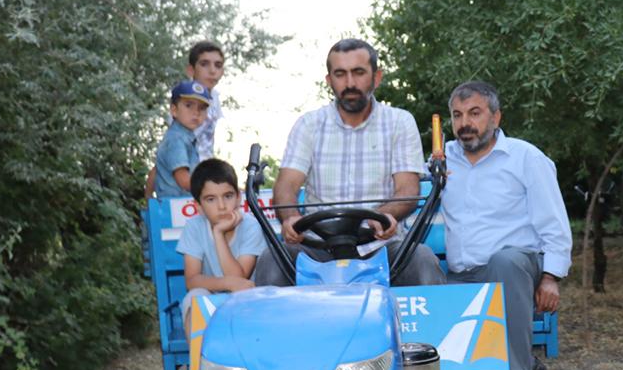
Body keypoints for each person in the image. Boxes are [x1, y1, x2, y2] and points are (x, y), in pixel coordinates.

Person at [253, 38, 443, 287]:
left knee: (422, 260)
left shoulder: (400, 122)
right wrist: (290, 218)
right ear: (329, 80)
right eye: (340, 74)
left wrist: (383, 216)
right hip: (317, 248)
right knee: (271, 260)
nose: (350, 83)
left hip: (381, 245)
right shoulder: (308, 125)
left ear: (376, 77)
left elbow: (407, 190)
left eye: (358, 72)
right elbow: (286, 187)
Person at [440, 80, 571, 370]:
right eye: (457, 115)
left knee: (505, 261)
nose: (465, 123)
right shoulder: (443, 161)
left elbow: (554, 222)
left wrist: (551, 278)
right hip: (461, 275)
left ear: (496, 117)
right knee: (419, 271)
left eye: (475, 113)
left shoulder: (526, 158)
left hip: (514, 269)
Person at [177, 158, 265, 327]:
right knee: (194, 297)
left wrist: (218, 234)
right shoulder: (194, 226)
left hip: (249, 300)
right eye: (211, 199)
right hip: (213, 296)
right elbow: (192, 280)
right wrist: (227, 283)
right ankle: (199, 346)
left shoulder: (251, 226)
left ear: (238, 198)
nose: (222, 206)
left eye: (228, 196)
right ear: (198, 206)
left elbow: (238, 279)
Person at [146, 79, 211, 200]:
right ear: (174, 110)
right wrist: (212, 189)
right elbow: (184, 180)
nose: (196, 112)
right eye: (189, 105)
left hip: (170, 204)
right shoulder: (177, 140)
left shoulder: (179, 137)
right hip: (176, 206)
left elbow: (155, 171)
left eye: (202, 108)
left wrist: (149, 200)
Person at [185, 41, 226, 159]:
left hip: (205, 165)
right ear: (191, 70)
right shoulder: (184, 98)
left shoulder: (214, 96)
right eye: (204, 64)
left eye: (218, 65)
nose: (212, 71)